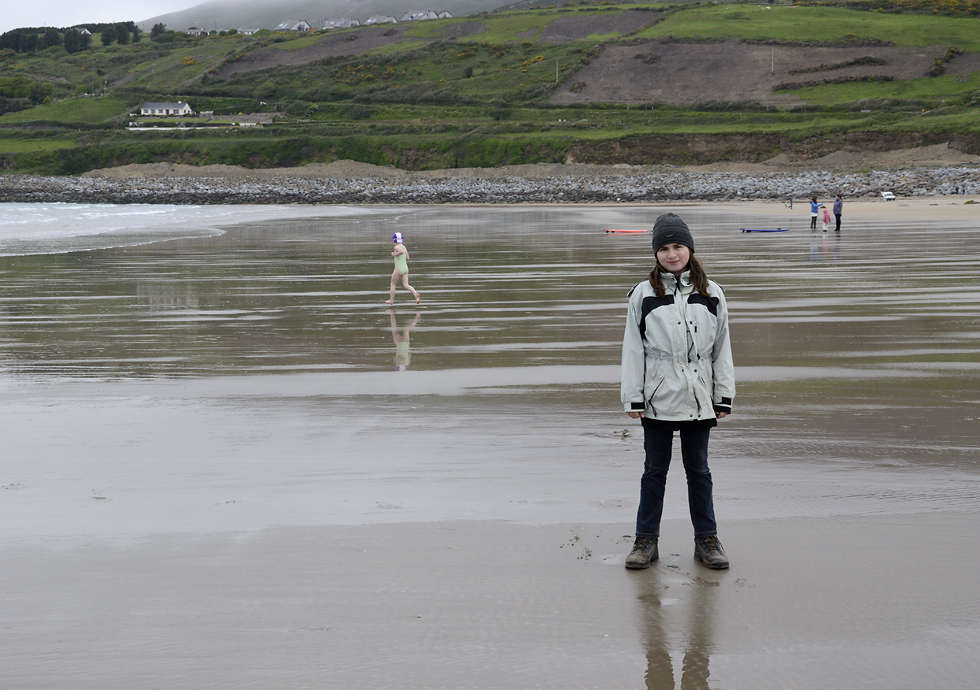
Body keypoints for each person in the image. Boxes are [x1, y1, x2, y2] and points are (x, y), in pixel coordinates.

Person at [620, 213, 735, 571]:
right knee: (654, 471)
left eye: (678, 247)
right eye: (664, 248)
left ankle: (707, 541)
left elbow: (721, 348)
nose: (672, 254)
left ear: (690, 249)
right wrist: (633, 397)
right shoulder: (642, 294)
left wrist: (723, 395)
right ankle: (645, 541)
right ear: (656, 253)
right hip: (656, 398)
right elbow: (633, 349)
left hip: (699, 397)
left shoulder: (712, 293)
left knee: (698, 471)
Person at [385, 232, 421, 305]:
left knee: (393, 284)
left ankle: (391, 300)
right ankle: (415, 294)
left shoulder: (396, 247)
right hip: (405, 268)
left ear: (394, 241)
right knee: (406, 285)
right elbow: (408, 258)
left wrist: (395, 254)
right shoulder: (404, 247)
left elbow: (400, 252)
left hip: (398, 268)